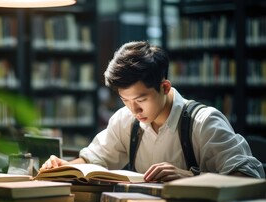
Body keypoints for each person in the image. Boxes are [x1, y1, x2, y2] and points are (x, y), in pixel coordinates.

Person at [39, 41, 265, 182]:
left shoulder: (204, 122)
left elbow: (250, 178)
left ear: (164, 87)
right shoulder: (125, 119)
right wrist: (64, 167)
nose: (133, 109)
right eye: (124, 100)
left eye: (141, 99)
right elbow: (95, 160)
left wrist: (192, 178)